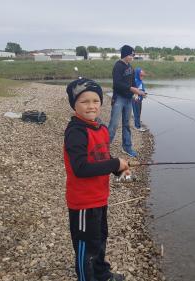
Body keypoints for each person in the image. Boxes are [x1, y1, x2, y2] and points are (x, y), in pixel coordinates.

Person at [64, 78, 130, 281]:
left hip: (100, 198)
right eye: (84, 101)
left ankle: (102, 274)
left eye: (95, 101)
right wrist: (114, 164)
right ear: (74, 104)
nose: (91, 106)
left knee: (100, 239)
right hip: (83, 203)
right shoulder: (76, 132)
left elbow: (103, 159)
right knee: (87, 248)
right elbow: (81, 168)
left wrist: (118, 169)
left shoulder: (100, 129)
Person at [108, 45, 145, 158]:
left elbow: (133, 83)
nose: (132, 57)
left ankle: (127, 147)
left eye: (133, 55)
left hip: (129, 99)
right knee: (113, 124)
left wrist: (137, 92)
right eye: (131, 55)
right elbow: (117, 84)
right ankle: (104, 148)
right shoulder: (118, 66)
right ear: (125, 55)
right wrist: (131, 89)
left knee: (126, 124)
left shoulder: (130, 67)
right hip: (119, 98)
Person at [132, 67, 148, 132]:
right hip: (136, 100)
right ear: (137, 74)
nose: (142, 77)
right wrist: (141, 94)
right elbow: (134, 91)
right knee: (136, 113)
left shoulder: (140, 81)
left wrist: (144, 94)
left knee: (139, 113)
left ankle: (138, 124)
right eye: (141, 75)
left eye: (143, 76)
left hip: (139, 100)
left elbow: (141, 90)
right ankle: (137, 126)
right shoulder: (135, 81)